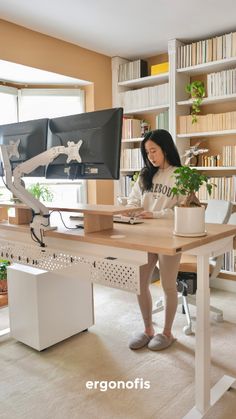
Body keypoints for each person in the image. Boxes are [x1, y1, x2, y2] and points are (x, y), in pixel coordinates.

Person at [126, 129, 184, 351]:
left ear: (165, 148)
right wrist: (130, 209)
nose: (150, 156)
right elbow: (132, 201)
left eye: (154, 150)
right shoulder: (144, 175)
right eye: (147, 152)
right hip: (144, 236)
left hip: (170, 237)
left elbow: (183, 209)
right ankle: (148, 329)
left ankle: (167, 333)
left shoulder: (180, 174)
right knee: (140, 284)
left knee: (168, 286)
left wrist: (156, 214)